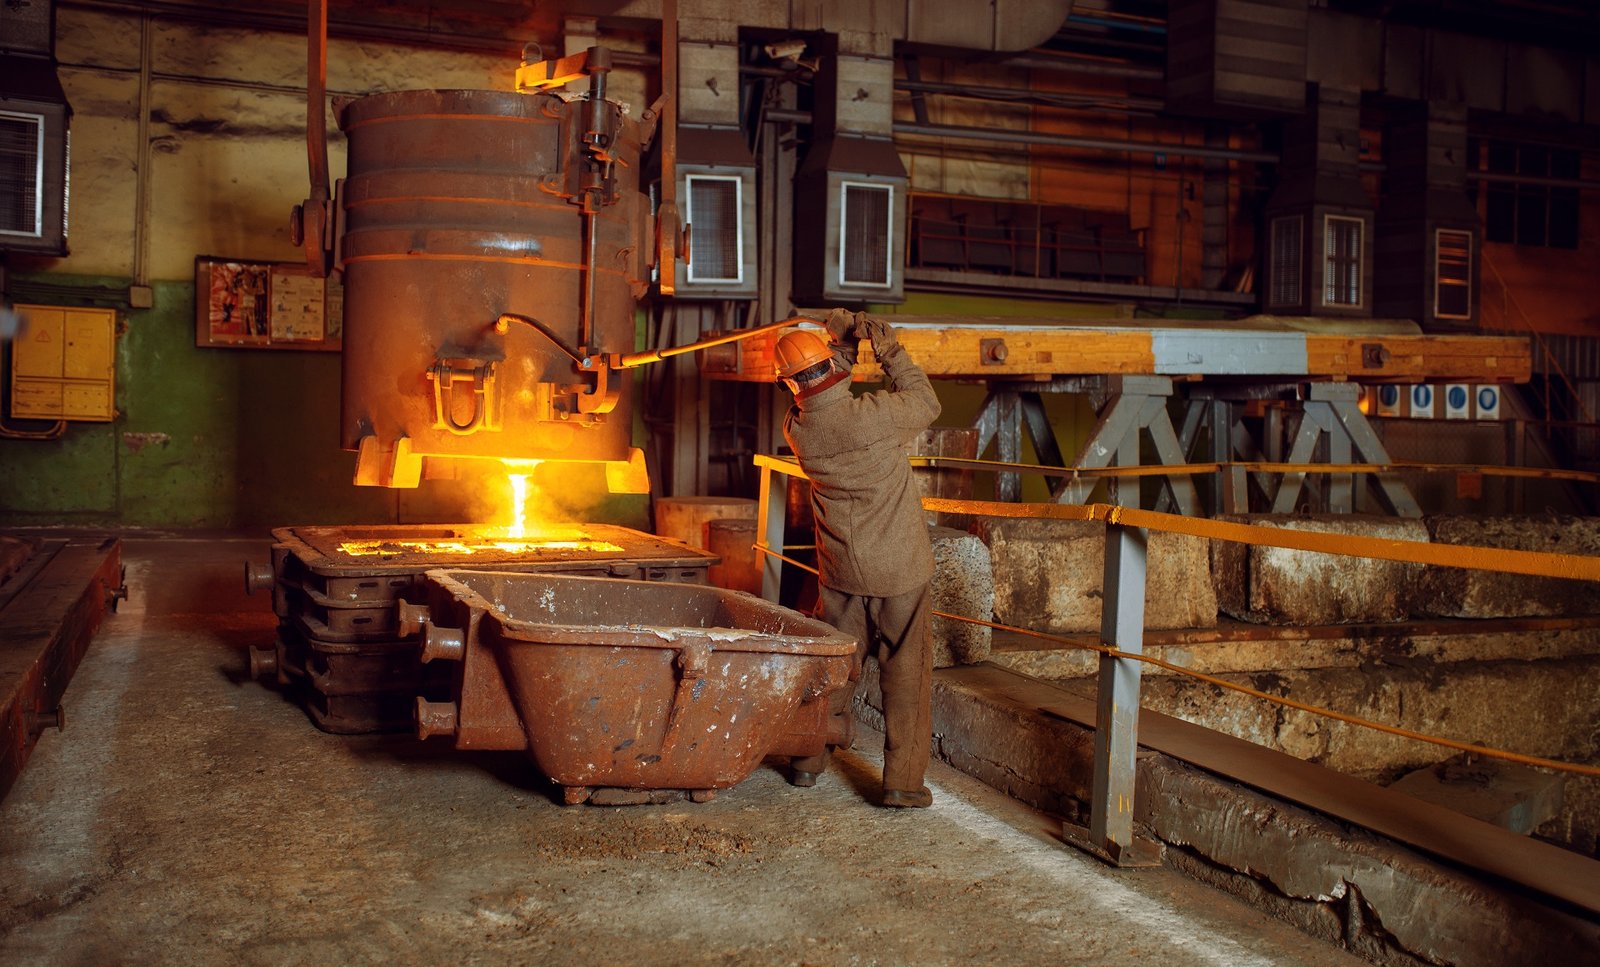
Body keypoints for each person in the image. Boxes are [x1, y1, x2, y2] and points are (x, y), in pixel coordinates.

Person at [775, 309, 941, 808]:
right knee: (906, 674)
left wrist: (841, 341)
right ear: (829, 367)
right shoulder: (875, 416)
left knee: (835, 669)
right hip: (899, 573)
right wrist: (888, 350)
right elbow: (926, 402)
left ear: (789, 385)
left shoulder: (798, 431)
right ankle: (902, 785)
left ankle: (806, 763)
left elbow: (822, 391)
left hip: (842, 572)